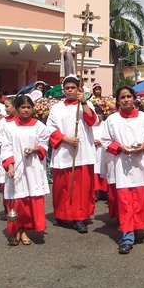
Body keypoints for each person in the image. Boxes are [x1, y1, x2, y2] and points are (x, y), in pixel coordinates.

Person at [101, 86, 144, 254]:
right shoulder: (112, 120)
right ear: (118, 101)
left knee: (139, 200)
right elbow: (105, 140)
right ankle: (127, 236)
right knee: (125, 202)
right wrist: (119, 147)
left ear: (134, 99)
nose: (126, 100)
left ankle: (135, 228)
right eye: (122, 97)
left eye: (128, 96)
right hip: (122, 166)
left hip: (140, 165)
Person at [46, 75, 98, 233]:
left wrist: (84, 103)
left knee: (81, 188)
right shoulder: (56, 108)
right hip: (63, 151)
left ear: (78, 89)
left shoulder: (85, 105)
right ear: (63, 90)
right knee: (63, 186)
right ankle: (62, 214)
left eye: (73, 88)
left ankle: (80, 218)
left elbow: (92, 121)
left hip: (82, 153)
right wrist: (65, 138)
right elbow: (49, 128)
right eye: (67, 88)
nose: (70, 91)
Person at [0, 95, 50, 246]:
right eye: (23, 107)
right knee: (17, 200)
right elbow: (6, 147)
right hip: (16, 168)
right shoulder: (9, 127)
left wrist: (35, 149)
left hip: (33, 167)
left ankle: (26, 230)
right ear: (17, 108)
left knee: (30, 199)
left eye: (29, 107)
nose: (26, 110)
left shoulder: (39, 125)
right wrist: (9, 165)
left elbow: (44, 143)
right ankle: (16, 229)